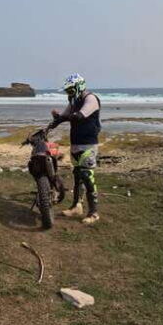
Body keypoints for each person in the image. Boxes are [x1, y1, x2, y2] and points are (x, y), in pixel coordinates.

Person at [48, 73, 102, 224]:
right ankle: (76, 206)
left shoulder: (90, 99)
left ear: (78, 87)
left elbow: (78, 116)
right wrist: (54, 122)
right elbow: (64, 116)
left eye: (70, 90)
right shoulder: (74, 101)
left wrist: (63, 117)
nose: (68, 93)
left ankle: (93, 212)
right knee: (78, 175)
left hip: (88, 144)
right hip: (75, 143)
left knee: (87, 176)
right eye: (67, 91)